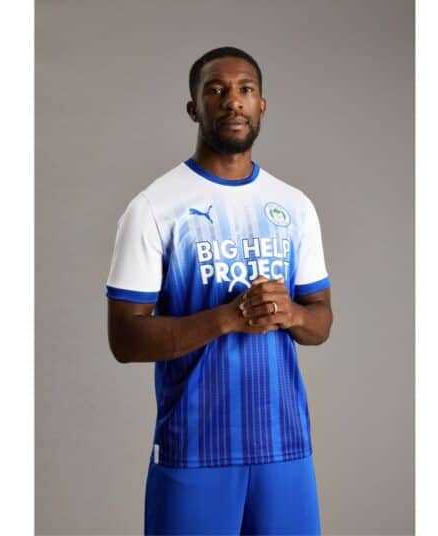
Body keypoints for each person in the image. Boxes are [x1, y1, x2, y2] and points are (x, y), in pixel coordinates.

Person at [105, 46, 332, 535]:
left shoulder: (293, 206)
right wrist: (228, 318)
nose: (233, 102)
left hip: (284, 449)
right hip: (196, 450)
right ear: (194, 109)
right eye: (217, 90)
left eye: (245, 90)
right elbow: (124, 339)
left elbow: (321, 321)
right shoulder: (155, 208)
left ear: (262, 105)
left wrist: (289, 313)